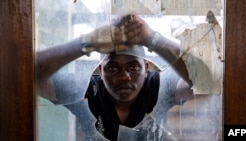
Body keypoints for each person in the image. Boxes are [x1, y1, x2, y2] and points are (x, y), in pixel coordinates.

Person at [36, 14, 194, 141]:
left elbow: (203, 77)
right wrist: (86, 42)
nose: (124, 77)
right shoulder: (87, 90)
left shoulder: (159, 87)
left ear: (146, 68)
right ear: (100, 71)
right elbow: (30, 75)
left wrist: (152, 39)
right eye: (112, 68)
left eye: (133, 67)